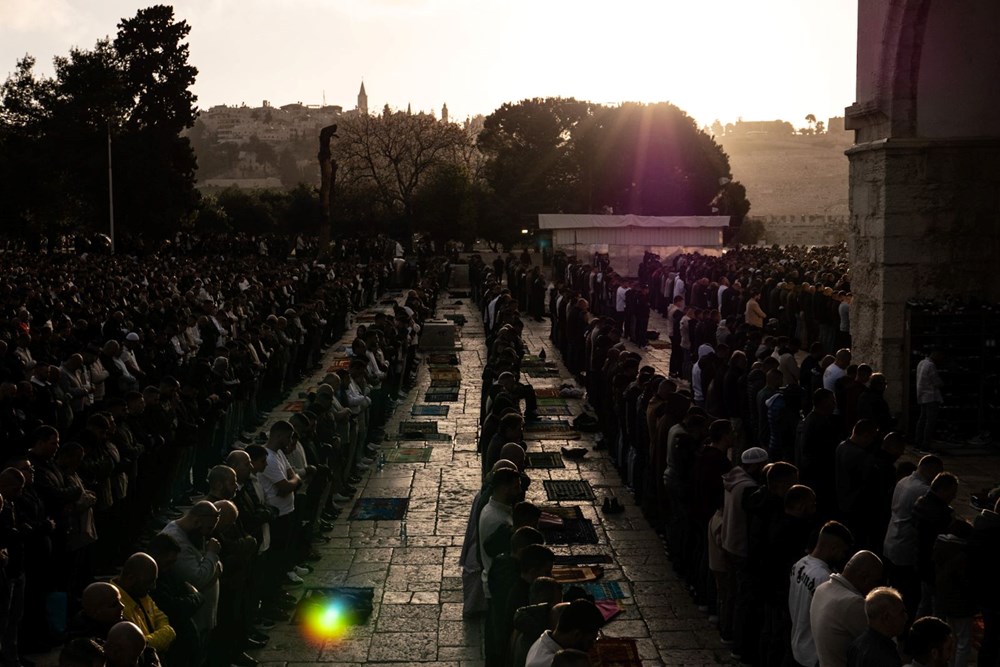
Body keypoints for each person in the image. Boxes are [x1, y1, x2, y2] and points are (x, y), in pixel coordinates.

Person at [884, 455, 944, 618]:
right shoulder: (922, 490)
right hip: (905, 545)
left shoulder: (903, 481)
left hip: (892, 539)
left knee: (895, 586)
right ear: (931, 470)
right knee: (908, 594)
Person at [788, 521, 854, 667]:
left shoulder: (799, 564)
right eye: (842, 551)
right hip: (813, 653)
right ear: (833, 547)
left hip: (798, 643)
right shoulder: (824, 578)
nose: (843, 556)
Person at [158, 501, 222, 641]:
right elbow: (197, 579)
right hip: (195, 619)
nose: (208, 533)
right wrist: (212, 554)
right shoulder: (177, 540)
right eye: (208, 528)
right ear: (196, 521)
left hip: (205, 616)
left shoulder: (193, 534)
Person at [811, 550, 884, 667]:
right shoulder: (853, 603)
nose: (876, 588)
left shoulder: (822, 588)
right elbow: (884, 640)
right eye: (876, 582)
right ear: (864, 578)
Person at [112, 553, 176, 654]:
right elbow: (135, 646)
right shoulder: (113, 605)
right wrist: (167, 634)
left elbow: (162, 618)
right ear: (130, 578)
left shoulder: (141, 594)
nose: (153, 587)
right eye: (149, 582)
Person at [524, 599, 604, 667]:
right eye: (590, 641)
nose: (592, 646)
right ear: (577, 635)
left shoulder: (547, 641)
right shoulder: (547, 663)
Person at [846, 587, 907, 667]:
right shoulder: (885, 657)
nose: (906, 617)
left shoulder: (856, 646)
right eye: (901, 613)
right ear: (886, 617)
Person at [914, 351, 943, 448]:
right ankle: (926, 443)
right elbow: (936, 382)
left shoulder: (921, 363)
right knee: (930, 421)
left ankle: (918, 441)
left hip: (922, 396)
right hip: (931, 397)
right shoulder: (931, 365)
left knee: (922, 420)